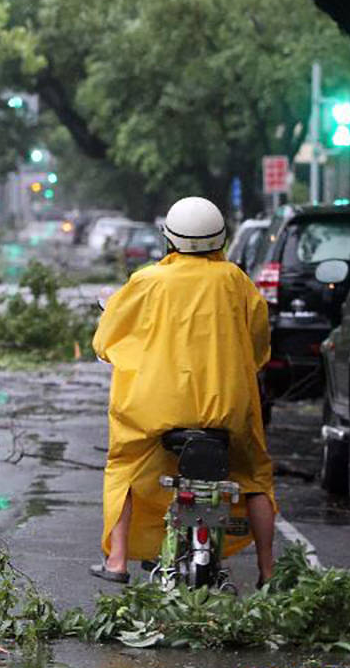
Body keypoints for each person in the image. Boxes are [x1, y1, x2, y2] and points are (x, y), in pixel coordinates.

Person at [88, 196, 277, 586]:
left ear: (168, 239)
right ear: (220, 238)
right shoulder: (236, 281)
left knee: (124, 465)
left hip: (154, 411)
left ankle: (118, 561)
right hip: (228, 408)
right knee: (255, 477)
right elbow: (259, 345)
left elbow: (107, 341)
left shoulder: (148, 281)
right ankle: (267, 571)